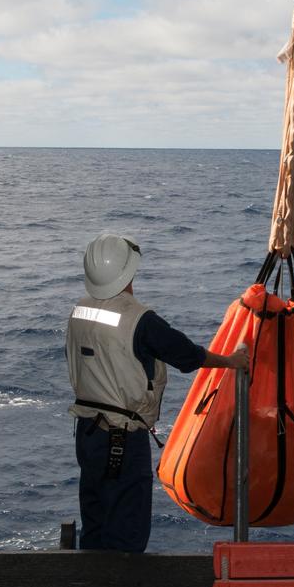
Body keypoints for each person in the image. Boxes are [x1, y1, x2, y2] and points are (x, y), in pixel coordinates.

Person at [66, 233, 246, 553]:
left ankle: (89, 581)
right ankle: (121, 585)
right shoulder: (139, 319)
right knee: (127, 530)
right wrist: (231, 361)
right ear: (129, 271)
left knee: (95, 521)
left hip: (87, 433)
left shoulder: (79, 310)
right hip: (121, 439)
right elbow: (186, 354)